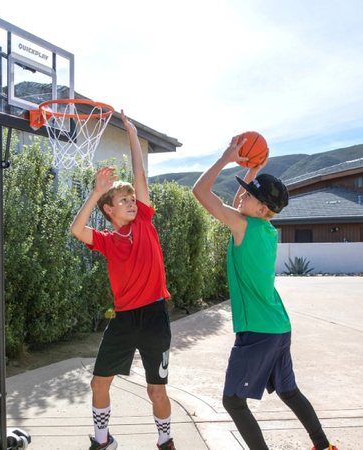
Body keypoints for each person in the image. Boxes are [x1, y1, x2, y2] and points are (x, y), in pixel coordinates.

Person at [192, 135, 338, 450]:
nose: (240, 195)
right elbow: (238, 207)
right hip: (278, 327)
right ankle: (323, 445)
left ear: (260, 207)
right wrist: (251, 171)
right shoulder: (265, 228)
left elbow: (199, 192)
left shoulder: (244, 225)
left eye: (247, 194)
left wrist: (225, 159)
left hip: (258, 331)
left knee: (233, 401)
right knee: (288, 391)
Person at [71, 110, 176, 450]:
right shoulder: (106, 240)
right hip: (125, 319)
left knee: (156, 389)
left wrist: (132, 135)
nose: (131, 202)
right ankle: (103, 441)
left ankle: (166, 441)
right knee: (99, 384)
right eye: (123, 200)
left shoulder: (144, 221)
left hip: (155, 316)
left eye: (132, 199)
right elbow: (76, 229)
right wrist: (97, 191)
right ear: (109, 210)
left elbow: (140, 173)